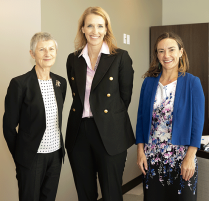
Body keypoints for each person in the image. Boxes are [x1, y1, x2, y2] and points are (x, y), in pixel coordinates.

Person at [65, 7, 135, 201]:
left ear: (106, 29)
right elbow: (76, 96)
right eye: (90, 26)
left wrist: (107, 117)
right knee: (85, 193)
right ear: (83, 29)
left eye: (99, 26)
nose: (95, 31)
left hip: (110, 132)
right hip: (79, 132)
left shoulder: (120, 57)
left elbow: (124, 98)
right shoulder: (73, 59)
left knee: (112, 193)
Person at [136, 32, 204, 201]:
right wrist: (140, 151)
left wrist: (190, 157)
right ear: (156, 54)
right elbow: (141, 118)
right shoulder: (148, 82)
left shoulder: (192, 82)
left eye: (171, 50)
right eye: (161, 51)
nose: (166, 55)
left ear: (181, 52)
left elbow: (197, 123)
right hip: (152, 157)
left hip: (181, 158)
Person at [3, 32, 66, 201]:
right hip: (32, 157)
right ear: (32, 54)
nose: (48, 53)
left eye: (51, 49)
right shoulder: (19, 84)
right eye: (42, 49)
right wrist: (20, 156)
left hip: (55, 155)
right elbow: (8, 126)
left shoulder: (61, 83)